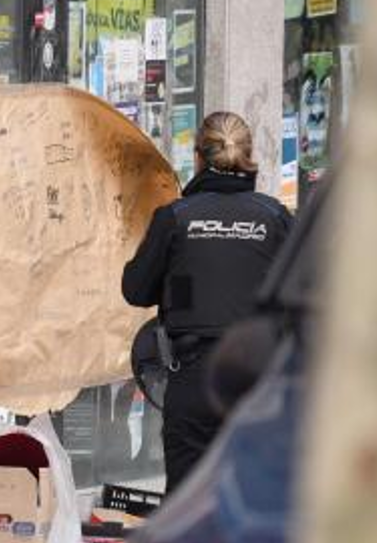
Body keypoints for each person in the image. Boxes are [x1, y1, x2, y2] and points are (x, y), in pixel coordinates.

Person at [122, 111, 293, 494]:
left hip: (195, 382)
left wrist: (179, 281)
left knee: (186, 504)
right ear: (248, 156)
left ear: (198, 158)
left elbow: (135, 290)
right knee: (255, 498)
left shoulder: (176, 218)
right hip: (256, 383)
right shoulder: (275, 217)